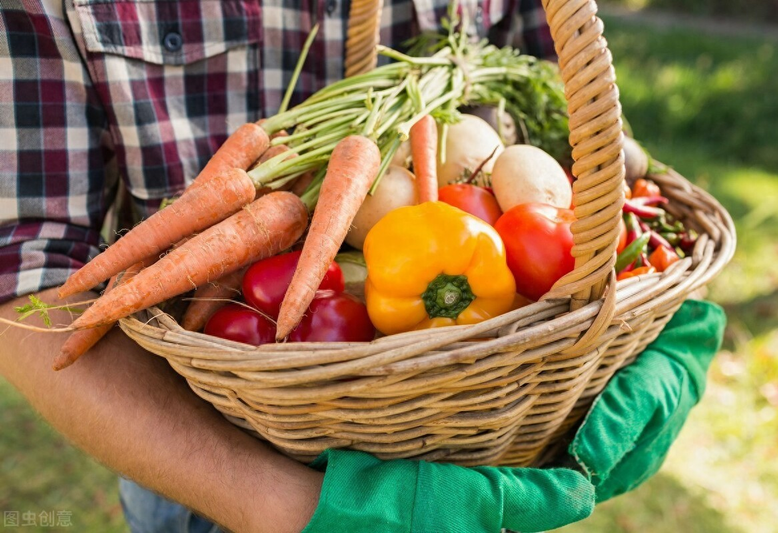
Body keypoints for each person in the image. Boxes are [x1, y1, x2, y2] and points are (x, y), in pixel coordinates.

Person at [0, 0, 726, 531]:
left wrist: (652, 328)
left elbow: (586, 136)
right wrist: (289, 508)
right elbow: (20, 273)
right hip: (204, 474)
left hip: (477, 443)